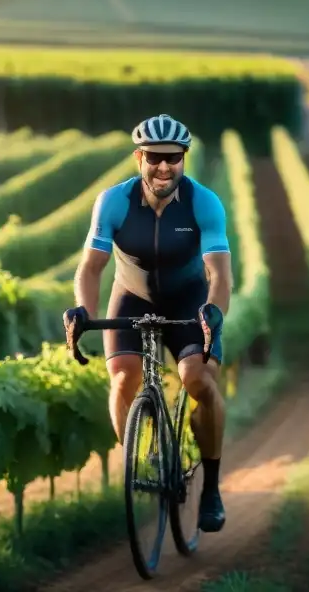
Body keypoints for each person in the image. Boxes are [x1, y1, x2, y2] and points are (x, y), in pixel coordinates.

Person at [62, 113, 232, 534]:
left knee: (199, 380)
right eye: (154, 157)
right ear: (139, 157)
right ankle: (135, 458)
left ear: (183, 160)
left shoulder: (203, 202)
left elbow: (220, 274)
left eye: (172, 158)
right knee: (123, 378)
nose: (163, 167)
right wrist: (83, 309)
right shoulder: (114, 201)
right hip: (131, 295)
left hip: (190, 299)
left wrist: (213, 310)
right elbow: (90, 269)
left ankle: (211, 488)